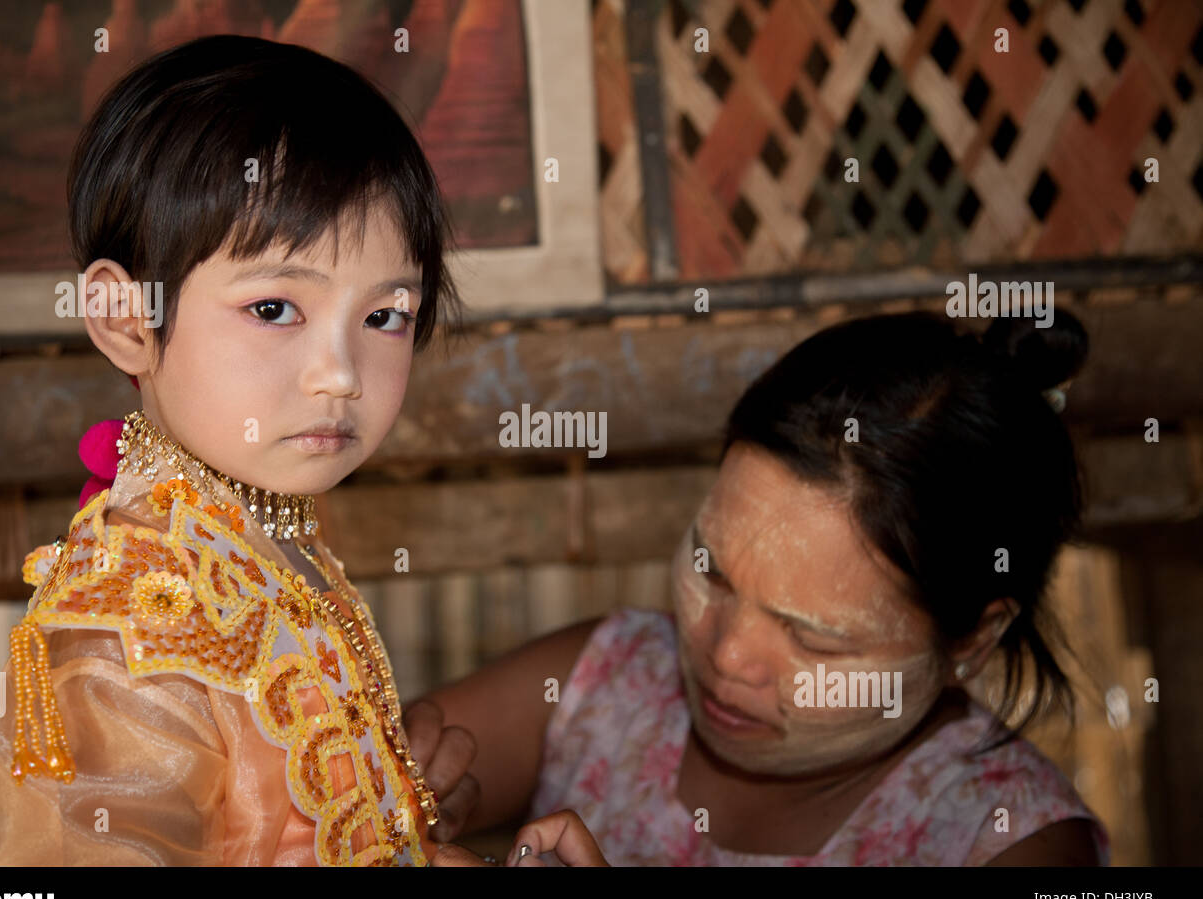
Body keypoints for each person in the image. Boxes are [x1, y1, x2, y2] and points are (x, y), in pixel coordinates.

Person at [0, 35, 477, 866]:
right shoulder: (133, 626)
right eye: (276, 308)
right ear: (127, 318)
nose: (339, 375)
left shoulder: (266, 543)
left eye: (384, 315)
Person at [419, 310, 1112, 866]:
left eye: (813, 639)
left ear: (974, 639)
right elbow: (335, 789)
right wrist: (396, 808)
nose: (727, 656)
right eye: (711, 573)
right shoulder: (608, 682)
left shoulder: (1014, 845)